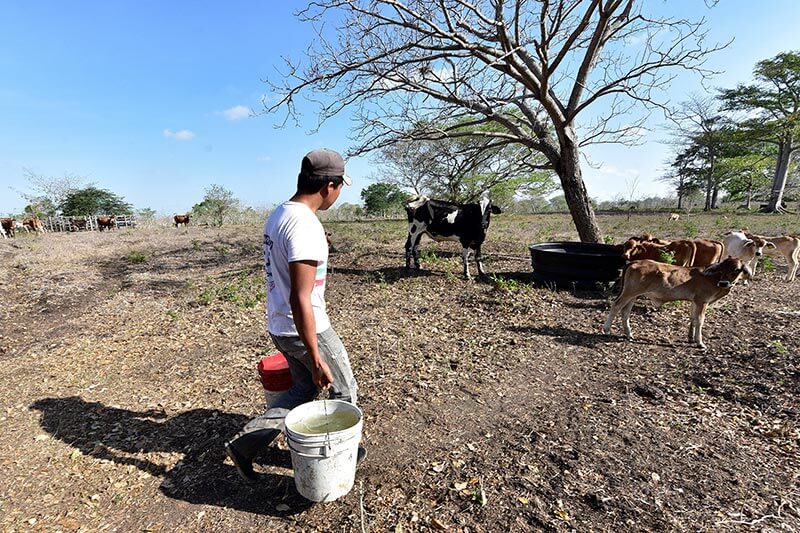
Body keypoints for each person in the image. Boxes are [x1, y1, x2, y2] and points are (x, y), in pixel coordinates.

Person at [225, 148, 364, 481]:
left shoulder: (280, 214)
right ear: (328, 186)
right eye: (340, 186)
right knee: (344, 390)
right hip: (306, 329)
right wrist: (316, 356)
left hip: (280, 326)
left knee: (302, 390)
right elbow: (301, 297)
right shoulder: (305, 226)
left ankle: (246, 444)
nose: (339, 194)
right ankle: (335, 455)